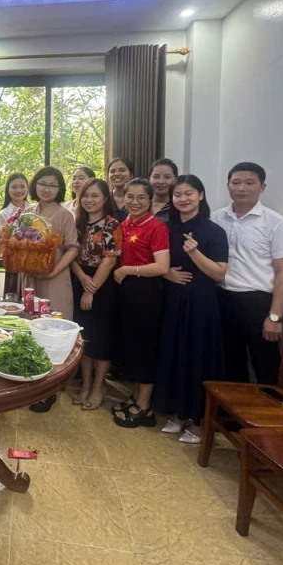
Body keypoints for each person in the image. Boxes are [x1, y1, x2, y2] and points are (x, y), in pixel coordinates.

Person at [155, 175, 229, 444]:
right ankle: (178, 413)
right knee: (174, 355)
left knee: (197, 358)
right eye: (177, 194)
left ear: (200, 195)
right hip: (172, 300)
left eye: (188, 193)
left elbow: (219, 273)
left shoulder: (214, 231)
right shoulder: (166, 228)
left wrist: (195, 253)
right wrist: (167, 274)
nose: (183, 199)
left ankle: (198, 421)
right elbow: (155, 261)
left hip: (200, 303)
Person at [211, 162, 283, 385]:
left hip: (257, 302)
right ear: (228, 186)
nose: (241, 188)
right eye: (236, 182)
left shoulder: (276, 223)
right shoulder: (216, 218)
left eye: (249, 183)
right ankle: (233, 408)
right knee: (230, 364)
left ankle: (270, 408)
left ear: (262, 187)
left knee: (266, 365)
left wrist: (275, 317)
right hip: (222, 298)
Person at [109, 179, 171, 428]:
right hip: (126, 293)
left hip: (146, 294)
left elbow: (162, 266)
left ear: (150, 200)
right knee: (132, 347)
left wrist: (128, 269)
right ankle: (135, 398)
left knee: (144, 349)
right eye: (130, 197)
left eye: (141, 198)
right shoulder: (124, 224)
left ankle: (144, 407)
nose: (134, 202)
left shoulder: (157, 227)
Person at [22, 166, 80, 412]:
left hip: (55, 278)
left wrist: (54, 271)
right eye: (42, 184)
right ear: (35, 186)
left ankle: (50, 389)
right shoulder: (27, 212)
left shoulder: (65, 215)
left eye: (53, 185)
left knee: (53, 329)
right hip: (29, 277)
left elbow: (73, 248)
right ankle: (31, 382)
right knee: (29, 324)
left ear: (60, 189)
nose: (47, 189)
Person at [68, 178, 120, 411]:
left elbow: (110, 261)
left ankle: (99, 387)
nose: (89, 200)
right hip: (80, 279)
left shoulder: (111, 224)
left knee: (101, 340)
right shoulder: (77, 223)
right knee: (84, 338)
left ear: (105, 199)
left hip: (103, 285)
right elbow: (72, 255)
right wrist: (81, 278)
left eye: (95, 195)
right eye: (86, 195)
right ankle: (86, 384)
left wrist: (90, 291)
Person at [148, 158, 178, 222]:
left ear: (176, 179)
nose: (161, 181)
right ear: (149, 178)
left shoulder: (179, 207)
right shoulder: (140, 204)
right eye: (156, 177)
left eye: (167, 177)